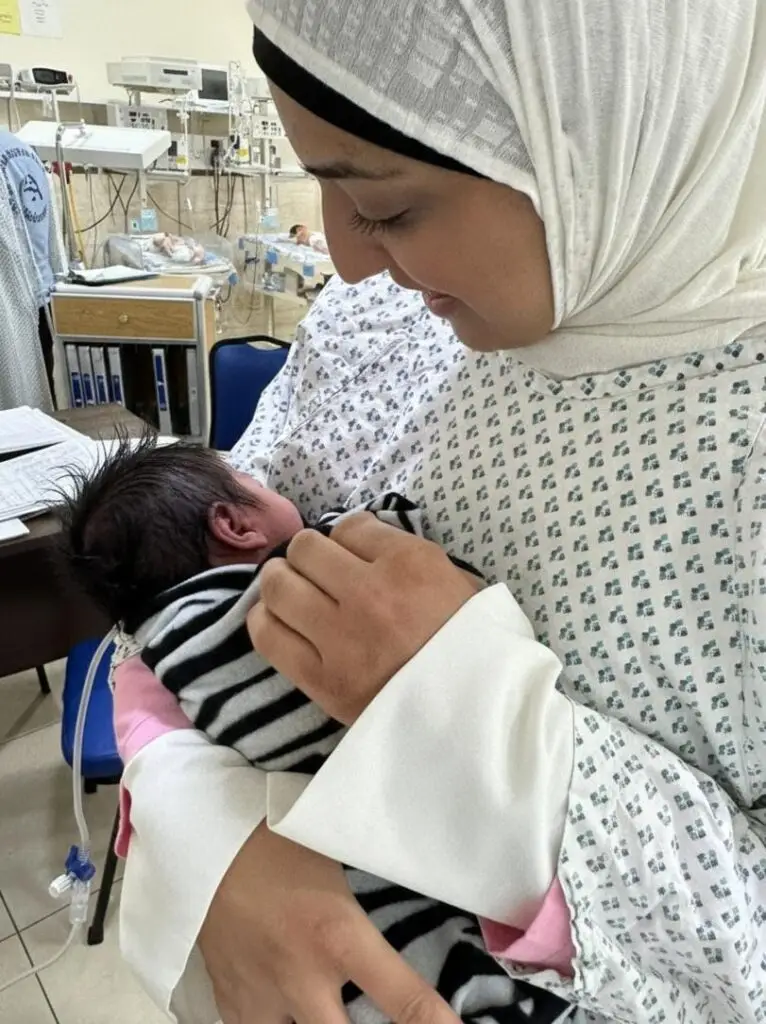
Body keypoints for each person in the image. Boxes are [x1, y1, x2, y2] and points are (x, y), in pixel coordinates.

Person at [115, 1, 766, 1022]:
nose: (350, 257)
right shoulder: (376, 327)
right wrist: (208, 835)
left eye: (389, 206)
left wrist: (479, 727)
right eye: (322, 186)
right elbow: (163, 597)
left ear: (596, 128)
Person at [60, 437, 568, 1024]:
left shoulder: (164, 652)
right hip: (415, 859)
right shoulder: (296, 577)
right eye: (254, 479)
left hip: (333, 892)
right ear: (233, 524)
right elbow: (413, 568)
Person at [0, 129, 56, 399]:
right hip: (39, 298)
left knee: (13, 407)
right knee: (39, 396)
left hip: (8, 309)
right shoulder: (25, 151)